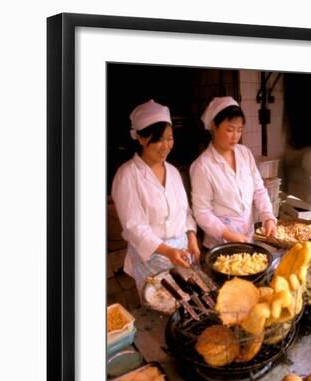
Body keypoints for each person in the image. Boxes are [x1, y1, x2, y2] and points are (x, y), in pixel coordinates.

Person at [111, 99, 200, 295]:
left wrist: (191, 237)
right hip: (152, 258)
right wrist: (168, 251)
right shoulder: (127, 176)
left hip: (181, 255)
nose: (166, 146)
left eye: (169, 138)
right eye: (158, 139)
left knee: (186, 304)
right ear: (142, 139)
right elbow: (134, 227)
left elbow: (184, 212)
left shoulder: (174, 172)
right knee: (159, 307)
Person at [190, 97, 277, 249]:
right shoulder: (202, 166)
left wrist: (268, 217)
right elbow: (202, 212)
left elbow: (259, 189)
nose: (235, 136)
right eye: (229, 130)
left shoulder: (245, 154)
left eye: (239, 130)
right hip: (219, 245)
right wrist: (228, 234)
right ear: (214, 127)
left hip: (246, 238)